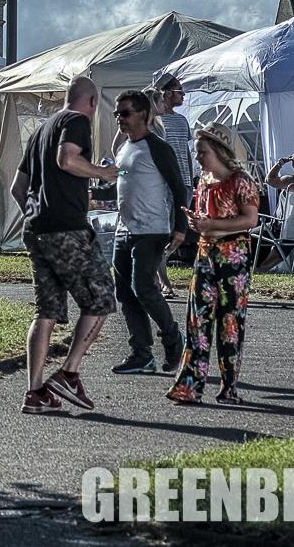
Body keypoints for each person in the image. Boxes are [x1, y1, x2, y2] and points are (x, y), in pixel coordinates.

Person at [12, 75, 117, 415]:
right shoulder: (76, 121)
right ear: (91, 101)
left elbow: (18, 185)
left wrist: (36, 212)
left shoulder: (43, 128)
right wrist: (103, 175)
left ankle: (35, 391)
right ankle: (69, 373)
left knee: (46, 311)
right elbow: (67, 160)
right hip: (67, 229)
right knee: (101, 297)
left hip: (37, 228)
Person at [166, 122, 259, 406]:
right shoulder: (203, 180)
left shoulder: (240, 180)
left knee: (230, 321)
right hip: (206, 253)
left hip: (233, 256)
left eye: (202, 152)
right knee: (197, 320)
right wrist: (198, 223)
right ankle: (189, 386)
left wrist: (213, 224)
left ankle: (229, 387)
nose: (198, 158)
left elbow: (250, 220)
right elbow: (205, 219)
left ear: (219, 151)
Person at [106, 90, 187, 377]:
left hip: (152, 229)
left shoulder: (158, 147)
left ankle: (174, 340)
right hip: (124, 229)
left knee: (144, 288)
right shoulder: (124, 148)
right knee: (125, 293)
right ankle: (141, 354)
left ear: (143, 114)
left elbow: (179, 188)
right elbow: (122, 183)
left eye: (125, 113)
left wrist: (180, 227)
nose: (120, 119)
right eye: (117, 114)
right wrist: (95, 192)